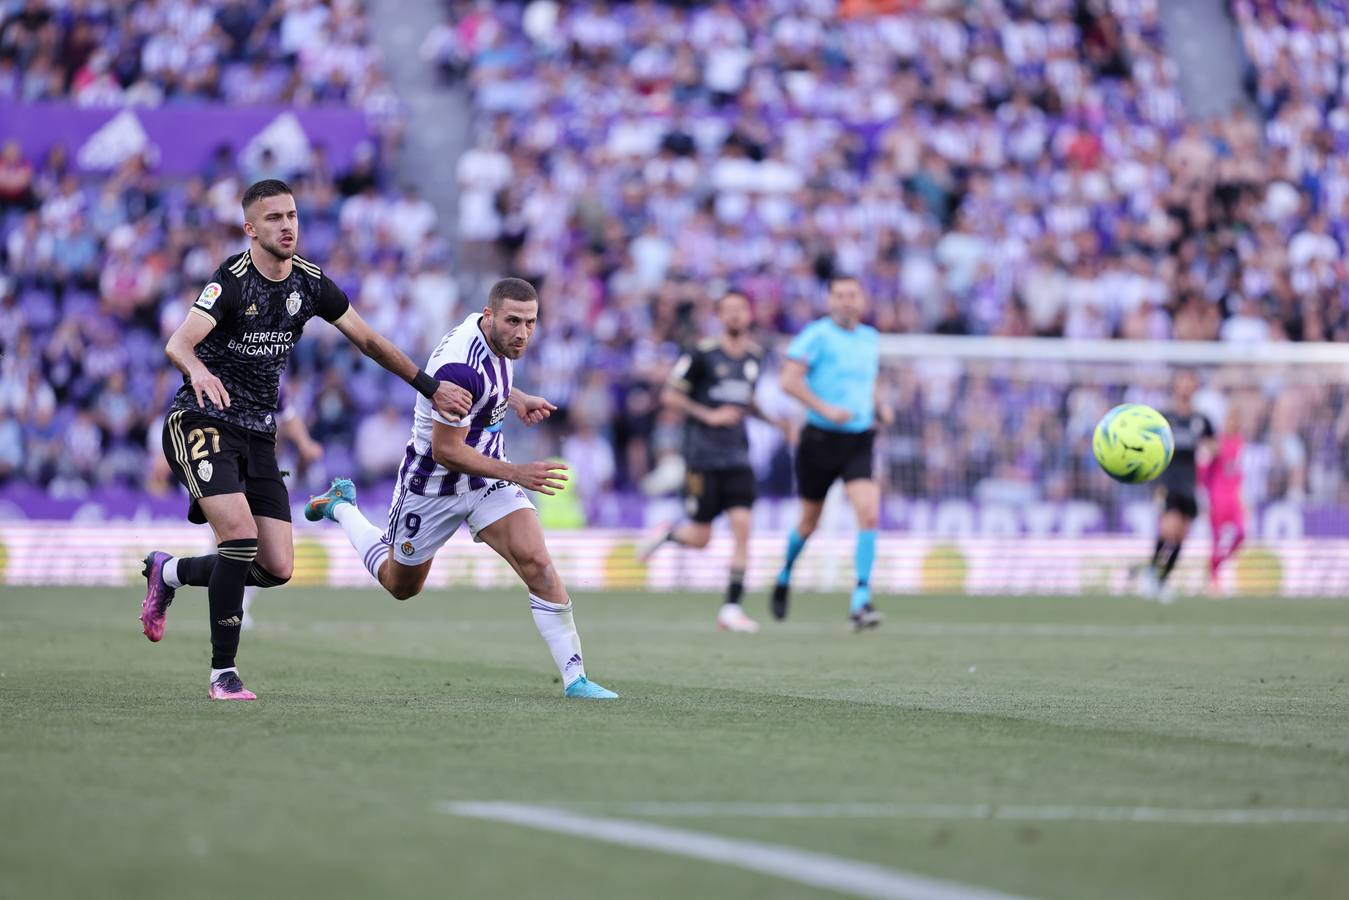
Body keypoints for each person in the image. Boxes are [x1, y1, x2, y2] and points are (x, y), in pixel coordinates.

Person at [137, 179, 472, 701]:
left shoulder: (311, 284)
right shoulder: (231, 280)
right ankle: (222, 673)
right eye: (273, 218)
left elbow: (370, 341)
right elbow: (179, 342)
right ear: (251, 229)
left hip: (259, 434)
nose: (287, 225)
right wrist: (198, 372)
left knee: (276, 568)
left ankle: (170, 571)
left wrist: (429, 388)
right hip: (200, 422)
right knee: (239, 539)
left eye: (291, 215)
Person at [305, 278, 619, 700]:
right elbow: (447, 451)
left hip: (487, 477)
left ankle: (575, 678)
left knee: (538, 563)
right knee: (401, 585)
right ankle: (342, 507)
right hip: (432, 485)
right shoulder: (458, 367)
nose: (523, 332)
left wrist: (517, 397)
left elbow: (491, 383)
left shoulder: (497, 339)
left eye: (531, 322)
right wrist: (517, 473)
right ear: (489, 316)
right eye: (513, 321)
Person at [639, 290, 772, 633]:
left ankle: (731, 608)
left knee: (744, 528)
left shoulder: (755, 357)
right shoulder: (701, 354)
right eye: (728, 310)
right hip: (703, 457)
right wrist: (708, 415)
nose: (735, 316)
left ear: (749, 314)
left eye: (741, 309)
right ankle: (669, 534)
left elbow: (747, 403)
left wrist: (779, 423)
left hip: (739, 456)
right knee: (701, 538)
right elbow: (670, 394)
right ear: (719, 316)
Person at [772, 275, 893, 629]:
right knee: (810, 521)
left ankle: (861, 598)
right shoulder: (816, 335)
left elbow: (866, 382)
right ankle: (784, 574)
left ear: (862, 299)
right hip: (820, 439)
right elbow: (788, 381)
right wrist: (825, 410)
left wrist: (880, 406)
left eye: (852, 295)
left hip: (858, 438)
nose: (846, 301)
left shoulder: (870, 338)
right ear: (830, 301)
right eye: (839, 295)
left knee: (868, 514)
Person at [1139, 370, 1216, 603]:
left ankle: (1162, 582)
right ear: (1175, 386)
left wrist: (1210, 451)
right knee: (1168, 529)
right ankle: (1151, 573)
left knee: (1181, 535)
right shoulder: (1164, 417)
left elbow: (1213, 445)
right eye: (1182, 382)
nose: (1185, 387)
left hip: (1189, 483)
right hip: (1168, 480)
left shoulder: (1201, 420)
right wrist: (1154, 482)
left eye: (1189, 383)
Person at [1199, 407, 1245, 594]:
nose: (1232, 423)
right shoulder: (1216, 443)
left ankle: (1216, 566)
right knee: (1217, 540)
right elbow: (1202, 470)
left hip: (1234, 499)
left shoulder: (1241, 443)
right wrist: (1204, 494)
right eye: (1229, 419)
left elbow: (1241, 473)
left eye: (1235, 420)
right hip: (1217, 498)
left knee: (1241, 535)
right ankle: (1214, 580)